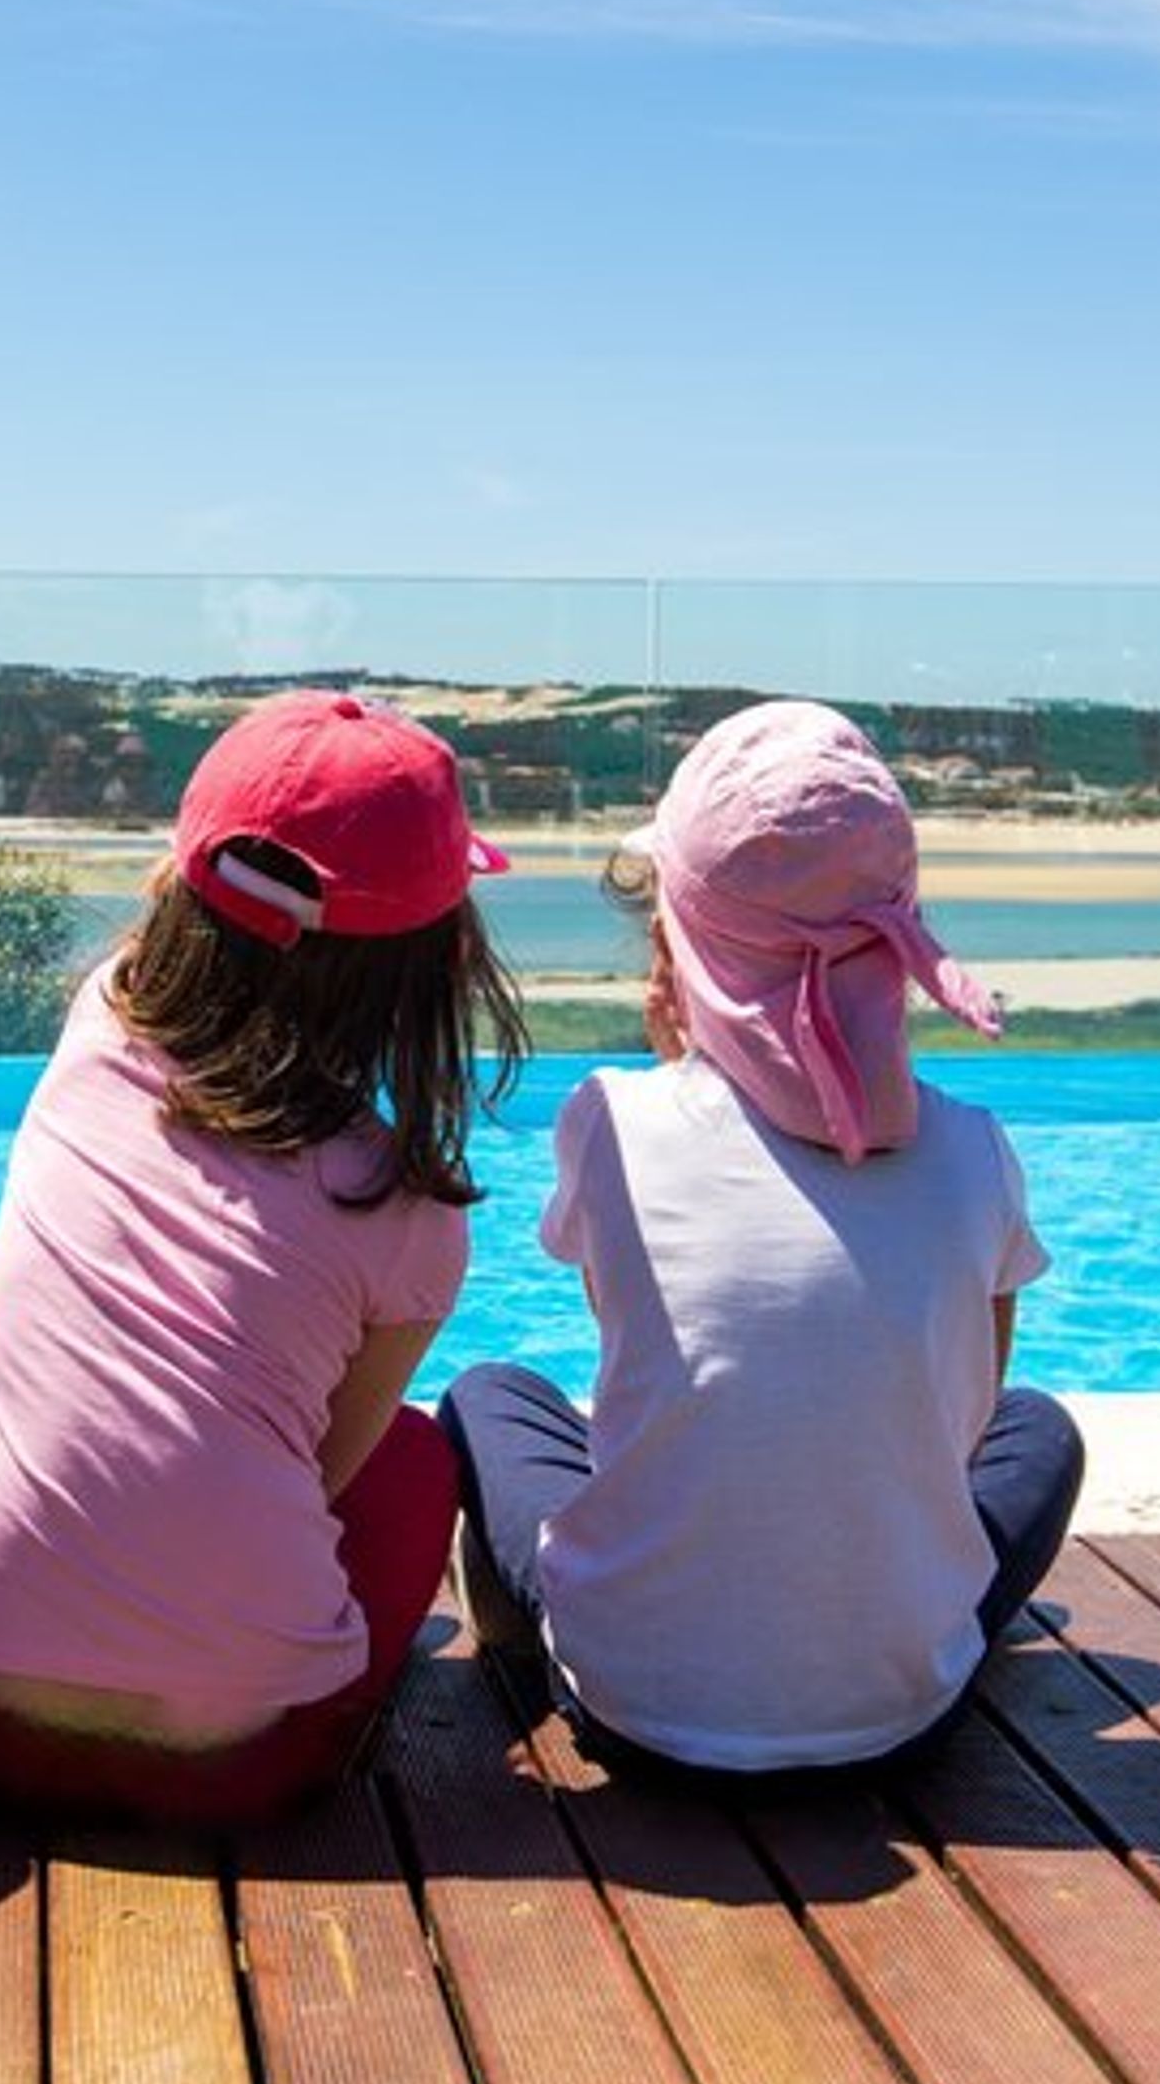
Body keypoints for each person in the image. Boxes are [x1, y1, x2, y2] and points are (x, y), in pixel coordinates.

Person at [0, 690, 526, 1823]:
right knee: (415, 1461)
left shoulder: (101, 1026)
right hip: (246, 1766)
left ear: (182, 890)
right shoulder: (415, 1215)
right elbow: (323, 1477)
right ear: (438, 962)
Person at [441, 701, 1080, 1775]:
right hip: (898, 1719)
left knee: (489, 1395)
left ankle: (537, 1629)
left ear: (680, 944)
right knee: (1038, 1434)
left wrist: (674, 1057)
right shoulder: (972, 1149)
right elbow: (962, 1420)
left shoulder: (613, 1121)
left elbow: (641, 1344)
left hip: (637, 1709)